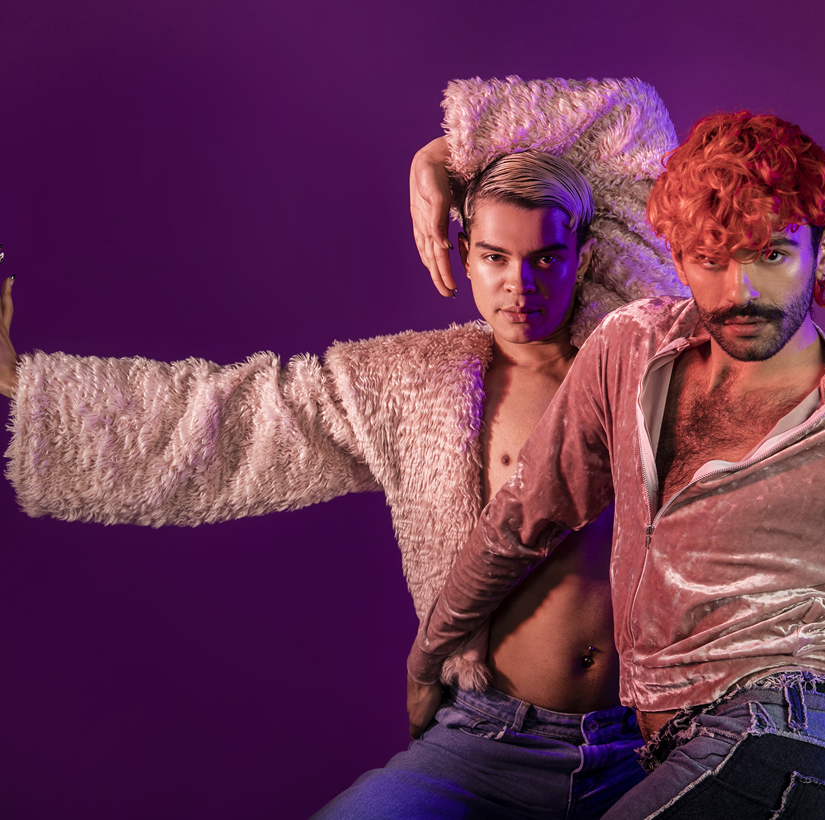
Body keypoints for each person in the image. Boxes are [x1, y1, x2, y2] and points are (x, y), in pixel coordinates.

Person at [1, 78, 685, 818]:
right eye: (493, 257)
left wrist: (438, 158)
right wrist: (22, 387)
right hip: (488, 744)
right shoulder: (412, 387)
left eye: (545, 259)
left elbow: (628, 123)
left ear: (582, 257)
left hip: (653, 741)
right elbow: (238, 422)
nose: (519, 284)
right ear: (462, 249)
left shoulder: (640, 346)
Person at [407, 111, 825, 819]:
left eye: (771, 253)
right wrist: (431, 651)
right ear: (677, 260)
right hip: (686, 753)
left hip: (805, 732)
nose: (741, 291)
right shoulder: (629, 348)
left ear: (823, 252)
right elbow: (523, 515)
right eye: (711, 258)